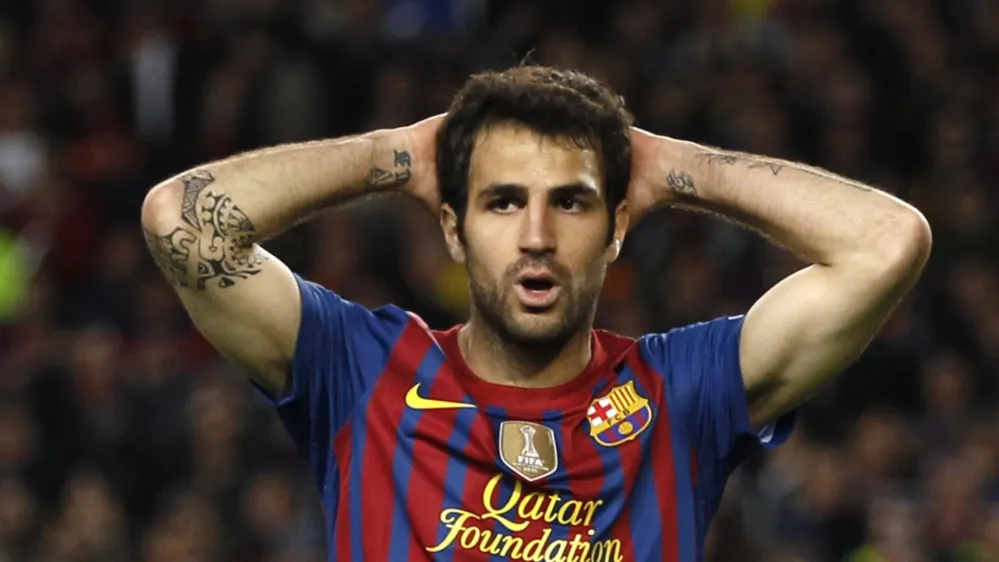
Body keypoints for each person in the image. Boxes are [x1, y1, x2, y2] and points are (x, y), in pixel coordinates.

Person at [140, 66, 931, 561]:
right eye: (501, 201)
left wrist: (672, 165)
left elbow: (886, 242)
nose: (537, 237)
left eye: (572, 203)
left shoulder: (679, 391)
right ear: (452, 227)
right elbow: (179, 218)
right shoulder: (361, 370)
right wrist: (397, 155)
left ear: (618, 226)